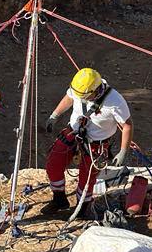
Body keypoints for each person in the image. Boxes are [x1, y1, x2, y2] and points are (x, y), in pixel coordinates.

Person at [42, 68, 133, 219]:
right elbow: (69, 97)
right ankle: (59, 199)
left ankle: (82, 208)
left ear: (96, 90)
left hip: (96, 144)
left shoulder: (115, 101)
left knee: (86, 181)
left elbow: (127, 125)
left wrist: (123, 151)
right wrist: (55, 115)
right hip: (73, 133)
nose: (82, 99)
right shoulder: (80, 89)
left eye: (85, 97)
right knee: (53, 165)